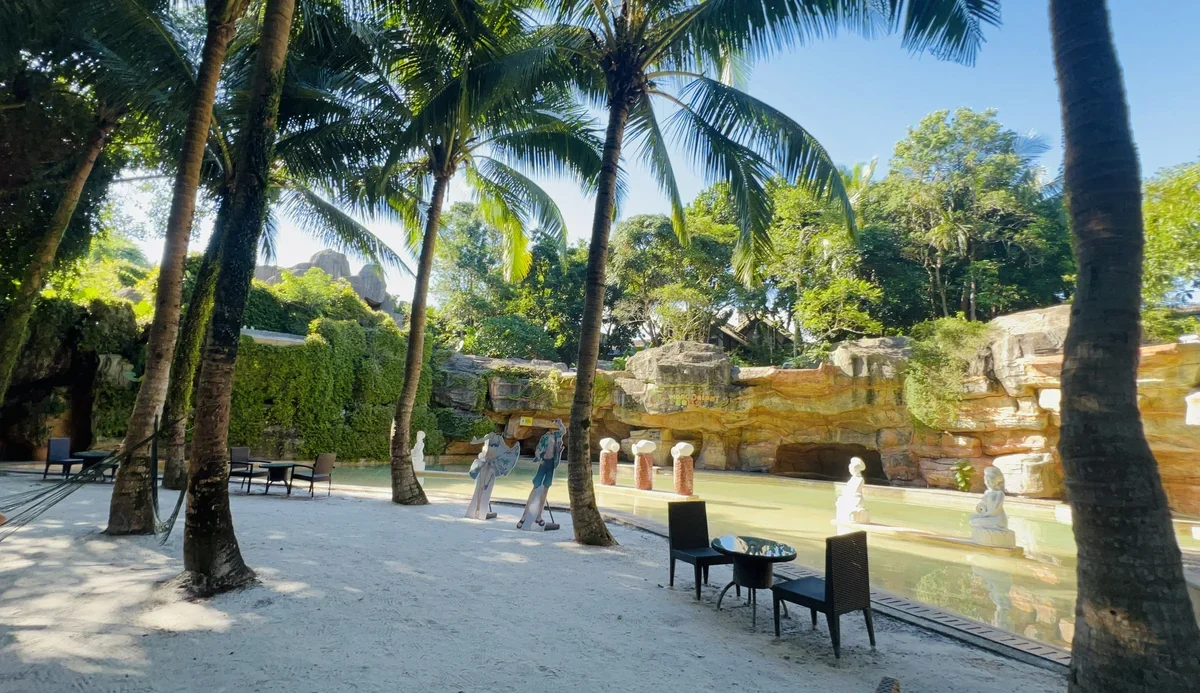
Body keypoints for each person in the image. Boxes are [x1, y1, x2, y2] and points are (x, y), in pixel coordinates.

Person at [517, 419, 566, 530]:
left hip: (551, 464)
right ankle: (524, 516)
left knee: (545, 489)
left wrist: (560, 423)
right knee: (536, 487)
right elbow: (538, 450)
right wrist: (539, 459)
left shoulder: (557, 435)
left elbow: (563, 431)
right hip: (543, 463)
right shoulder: (544, 438)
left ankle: (539, 516)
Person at [465, 432, 518, 520]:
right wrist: (475, 441)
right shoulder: (489, 436)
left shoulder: (499, 439)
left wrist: (511, 450)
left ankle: (486, 484)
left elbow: (504, 447)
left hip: (492, 461)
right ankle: (478, 507)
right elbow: (482, 440)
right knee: (480, 486)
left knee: (491, 471)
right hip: (486, 460)